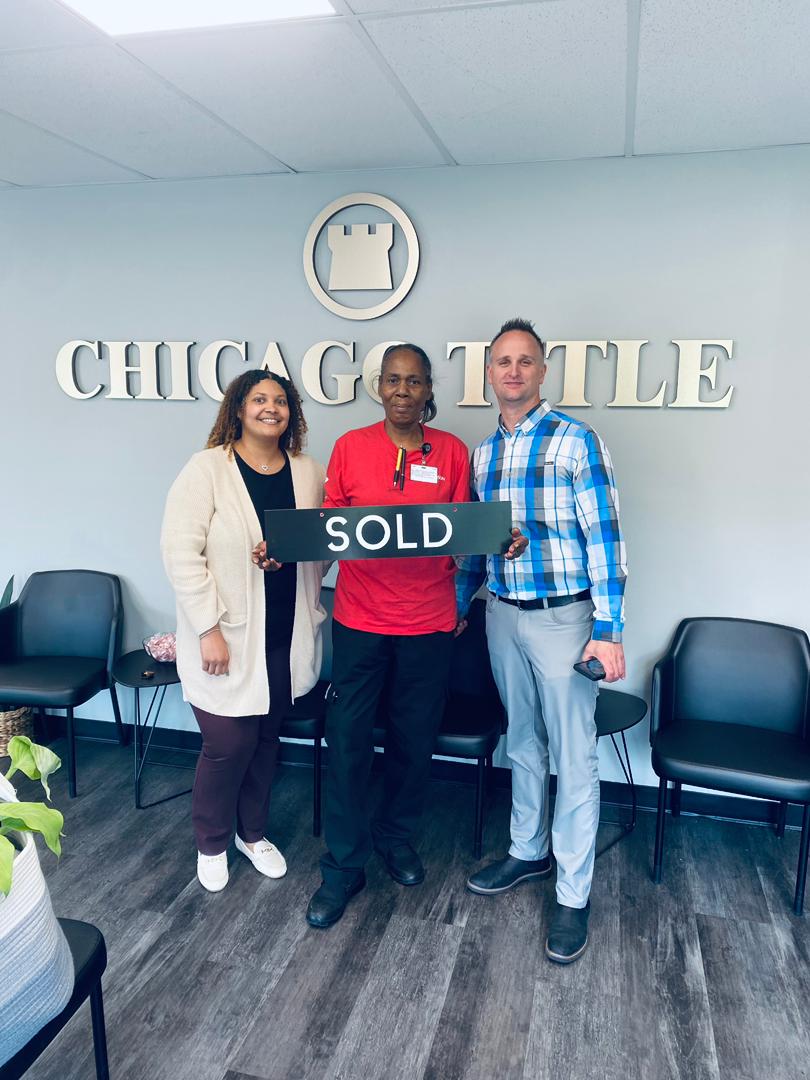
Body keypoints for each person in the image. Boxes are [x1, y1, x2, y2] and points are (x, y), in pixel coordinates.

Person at [305, 343, 525, 929]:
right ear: (380, 387)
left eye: (415, 381)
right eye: (393, 380)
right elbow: (328, 528)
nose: (403, 391)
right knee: (347, 742)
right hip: (359, 620)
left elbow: (466, 530)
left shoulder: (451, 452)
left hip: (427, 622)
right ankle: (343, 865)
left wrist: (501, 539)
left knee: (413, 739)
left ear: (429, 390)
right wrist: (286, 556)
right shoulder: (350, 447)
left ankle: (395, 836)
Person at [456, 318, 627, 964]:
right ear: (489, 373)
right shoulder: (483, 455)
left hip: (565, 620)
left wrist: (608, 630)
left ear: (542, 371)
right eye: (503, 361)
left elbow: (606, 540)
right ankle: (527, 850)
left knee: (574, 757)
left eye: (525, 361)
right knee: (522, 741)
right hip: (502, 615)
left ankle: (573, 894)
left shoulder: (576, 442)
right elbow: (477, 542)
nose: (513, 371)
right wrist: (458, 605)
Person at [161, 369, 327, 893]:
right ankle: (211, 841)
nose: (270, 408)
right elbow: (180, 553)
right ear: (238, 409)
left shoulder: (307, 472)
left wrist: (286, 557)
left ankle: (251, 834)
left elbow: (318, 545)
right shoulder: (207, 468)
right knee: (228, 744)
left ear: (291, 413)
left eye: (280, 400)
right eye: (259, 399)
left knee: (265, 741)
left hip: (284, 634)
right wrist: (207, 628)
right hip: (226, 637)